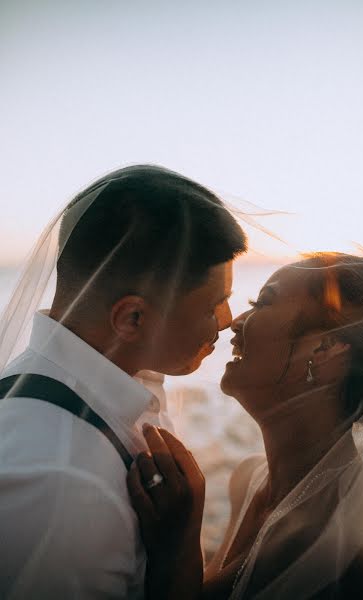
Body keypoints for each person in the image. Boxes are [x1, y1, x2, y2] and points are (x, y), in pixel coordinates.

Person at [0, 165, 247, 599]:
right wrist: (177, 555)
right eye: (215, 304)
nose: (227, 323)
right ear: (132, 318)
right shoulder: (66, 491)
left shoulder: (109, 384)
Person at [129, 252, 363, 599]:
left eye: (262, 302)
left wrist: (177, 543)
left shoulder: (324, 541)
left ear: (325, 348)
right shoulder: (250, 476)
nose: (235, 322)